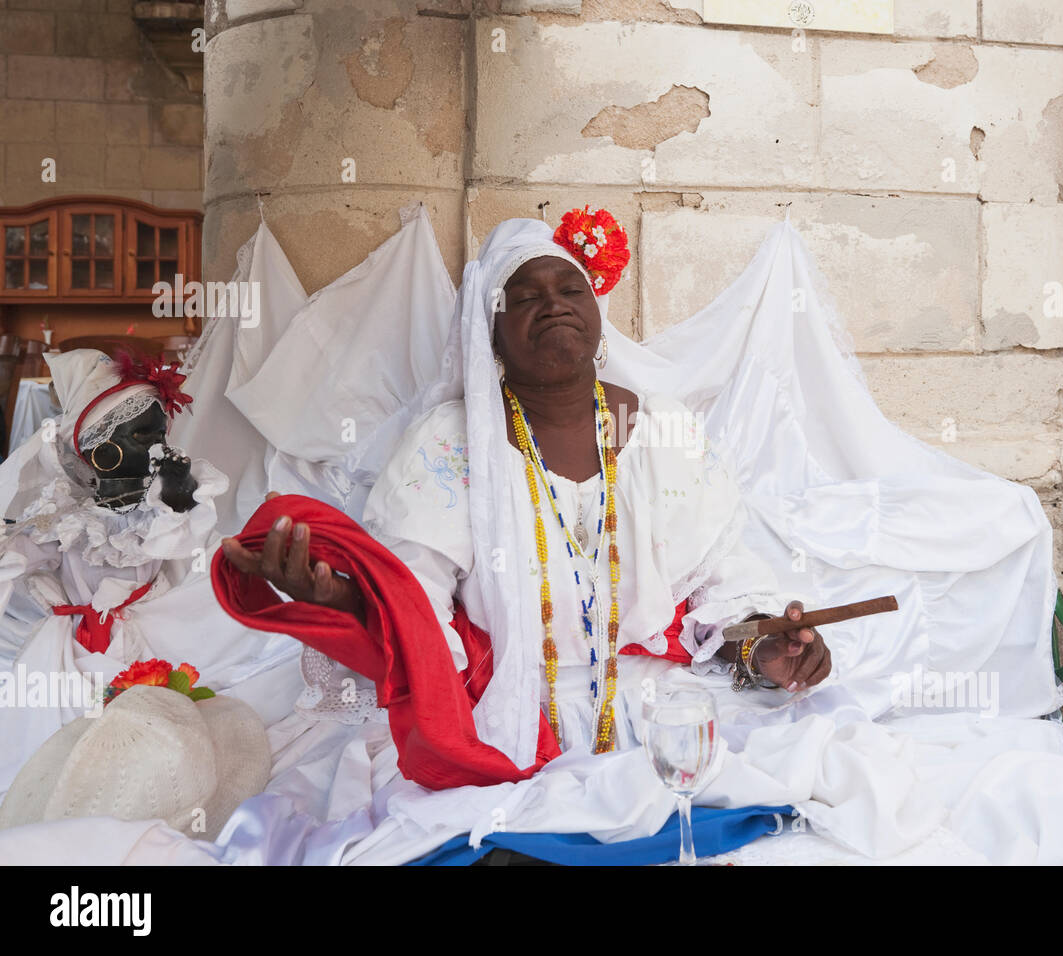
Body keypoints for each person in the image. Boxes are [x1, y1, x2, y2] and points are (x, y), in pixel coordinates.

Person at [219, 210, 827, 764]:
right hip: (505, 715)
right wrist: (344, 602)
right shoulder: (450, 443)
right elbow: (412, 607)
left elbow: (723, 580)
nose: (555, 304)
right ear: (493, 337)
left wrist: (764, 645)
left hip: (658, 712)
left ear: (596, 315)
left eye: (570, 290)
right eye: (525, 297)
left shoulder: (659, 428)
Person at [0, 349, 300, 790]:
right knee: (68, 735)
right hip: (75, 651)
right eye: (143, 436)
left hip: (154, 625)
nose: (160, 448)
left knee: (176, 706)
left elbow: (177, 546)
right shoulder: (66, 519)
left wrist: (177, 502)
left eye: (161, 435)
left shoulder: (160, 509)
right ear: (100, 452)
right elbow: (18, 557)